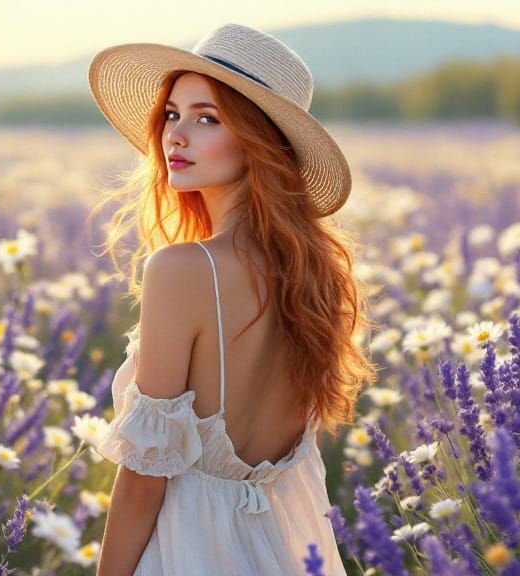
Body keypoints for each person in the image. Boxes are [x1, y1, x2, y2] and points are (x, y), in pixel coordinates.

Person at [86, 23, 378, 575]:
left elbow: (145, 479)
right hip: (277, 549)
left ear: (259, 141)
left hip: (189, 548)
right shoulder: (313, 274)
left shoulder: (182, 269)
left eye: (207, 119)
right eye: (172, 114)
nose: (175, 136)